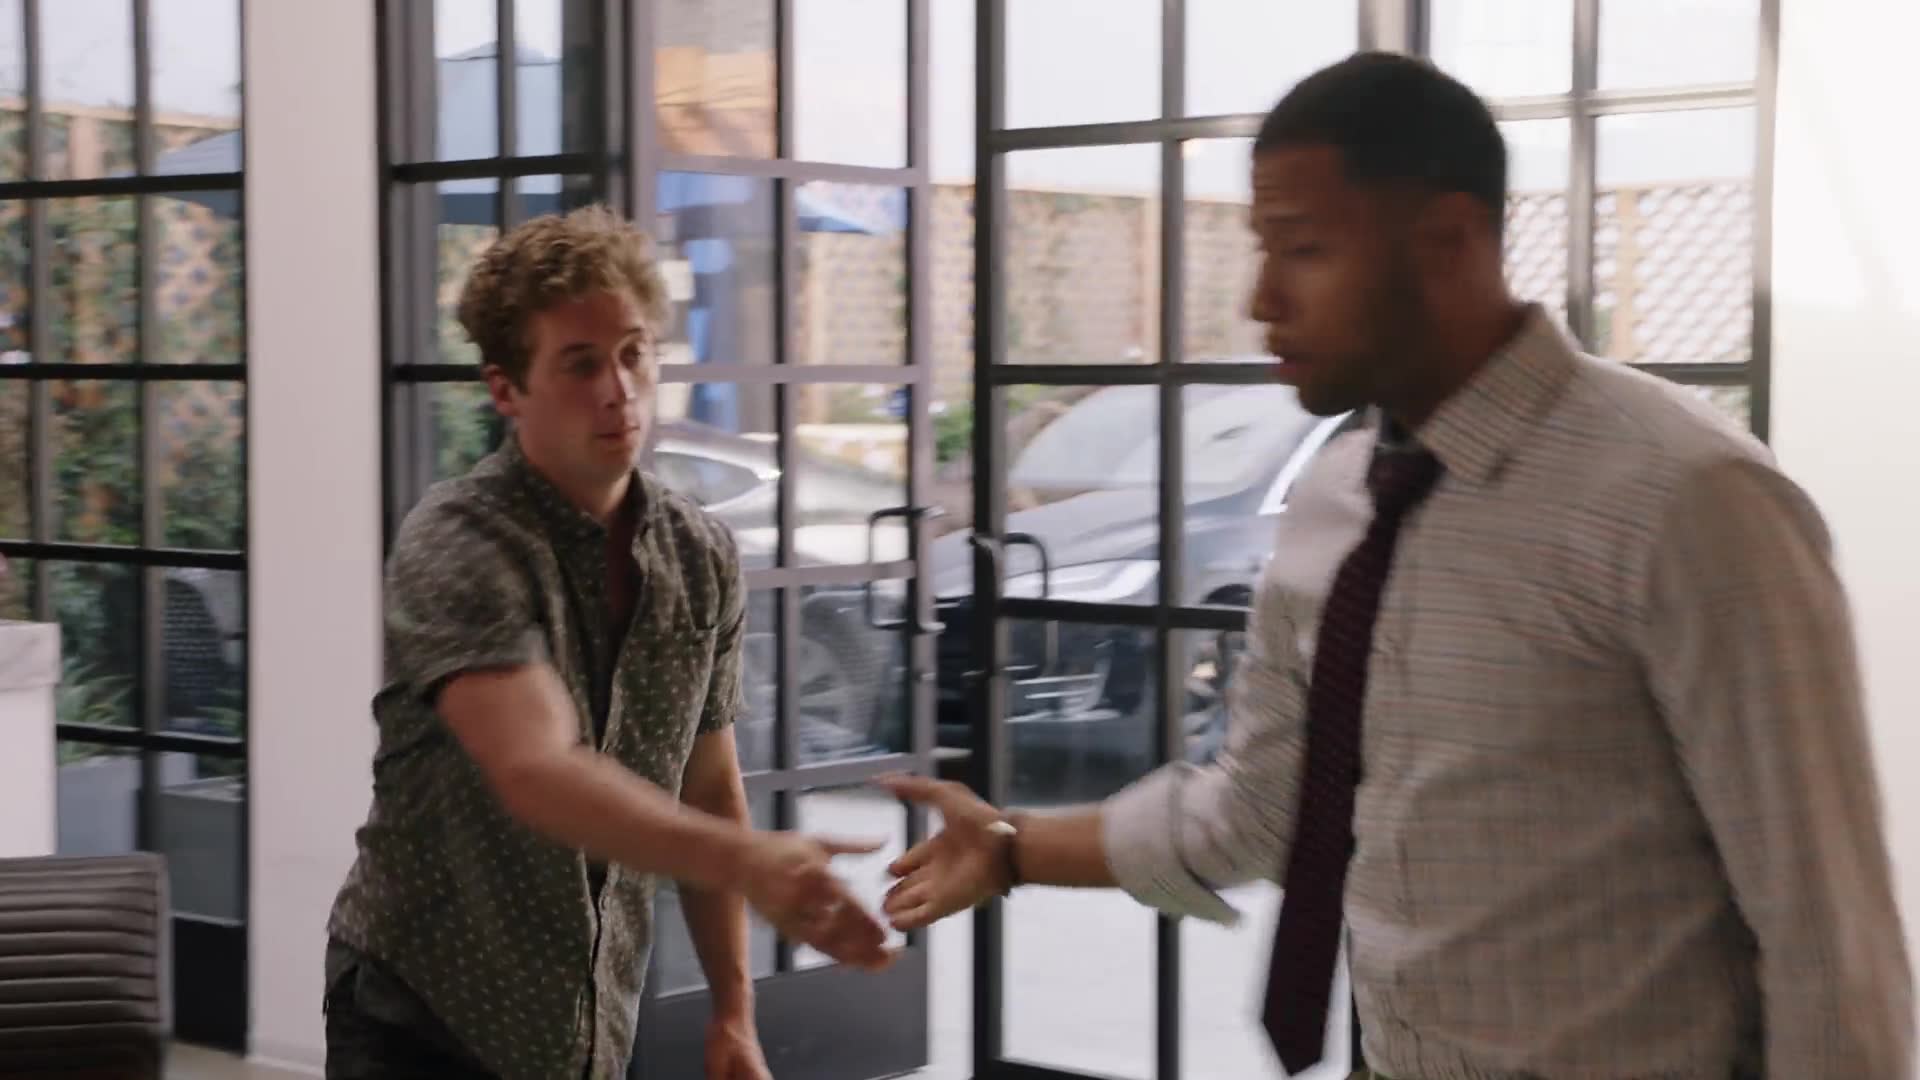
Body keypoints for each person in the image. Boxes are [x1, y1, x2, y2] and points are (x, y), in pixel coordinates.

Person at [880, 52, 1914, 1079]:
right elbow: (1265, 807)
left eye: (1305, 249)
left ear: (1446, 241)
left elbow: (1828, 933)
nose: (1261, 298)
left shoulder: (1688, 499)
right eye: (1263, 248)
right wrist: (1013, 849)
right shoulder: (1336, 499)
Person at [325, 205, 891, 1080]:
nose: (618, 389)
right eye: (581, 363)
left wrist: (733, 1013)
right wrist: (754, 864)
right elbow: (536, 768)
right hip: (422, 1012)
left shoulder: (700, 553)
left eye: (634, 353)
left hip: (590, 1022)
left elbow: (710, 784)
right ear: (506, 389)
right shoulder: (461, 540)